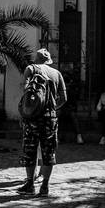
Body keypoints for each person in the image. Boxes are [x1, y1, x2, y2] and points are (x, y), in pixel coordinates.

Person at [18, 47, 67, 197]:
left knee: (30, 150)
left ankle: (29, 184)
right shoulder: (57, 74)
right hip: (50, 118)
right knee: (48, 151)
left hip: (32, 117)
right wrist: (52, 107)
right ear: (49, 60)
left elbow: (26, 91)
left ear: (37, 59)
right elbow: (64, 99)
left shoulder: (31, 69)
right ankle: (44, 186)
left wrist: (26, 112)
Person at [57, 71, 84, 145]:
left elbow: (74, 104)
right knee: (57, 116)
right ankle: (57, 136)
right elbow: (57, 101)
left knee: (73, 117)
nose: (66, 85)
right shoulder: (59, 91)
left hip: (70, 109)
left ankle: (79, 135)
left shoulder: (72, 91)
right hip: (62, 108)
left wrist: (71, 108)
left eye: (67, 83)